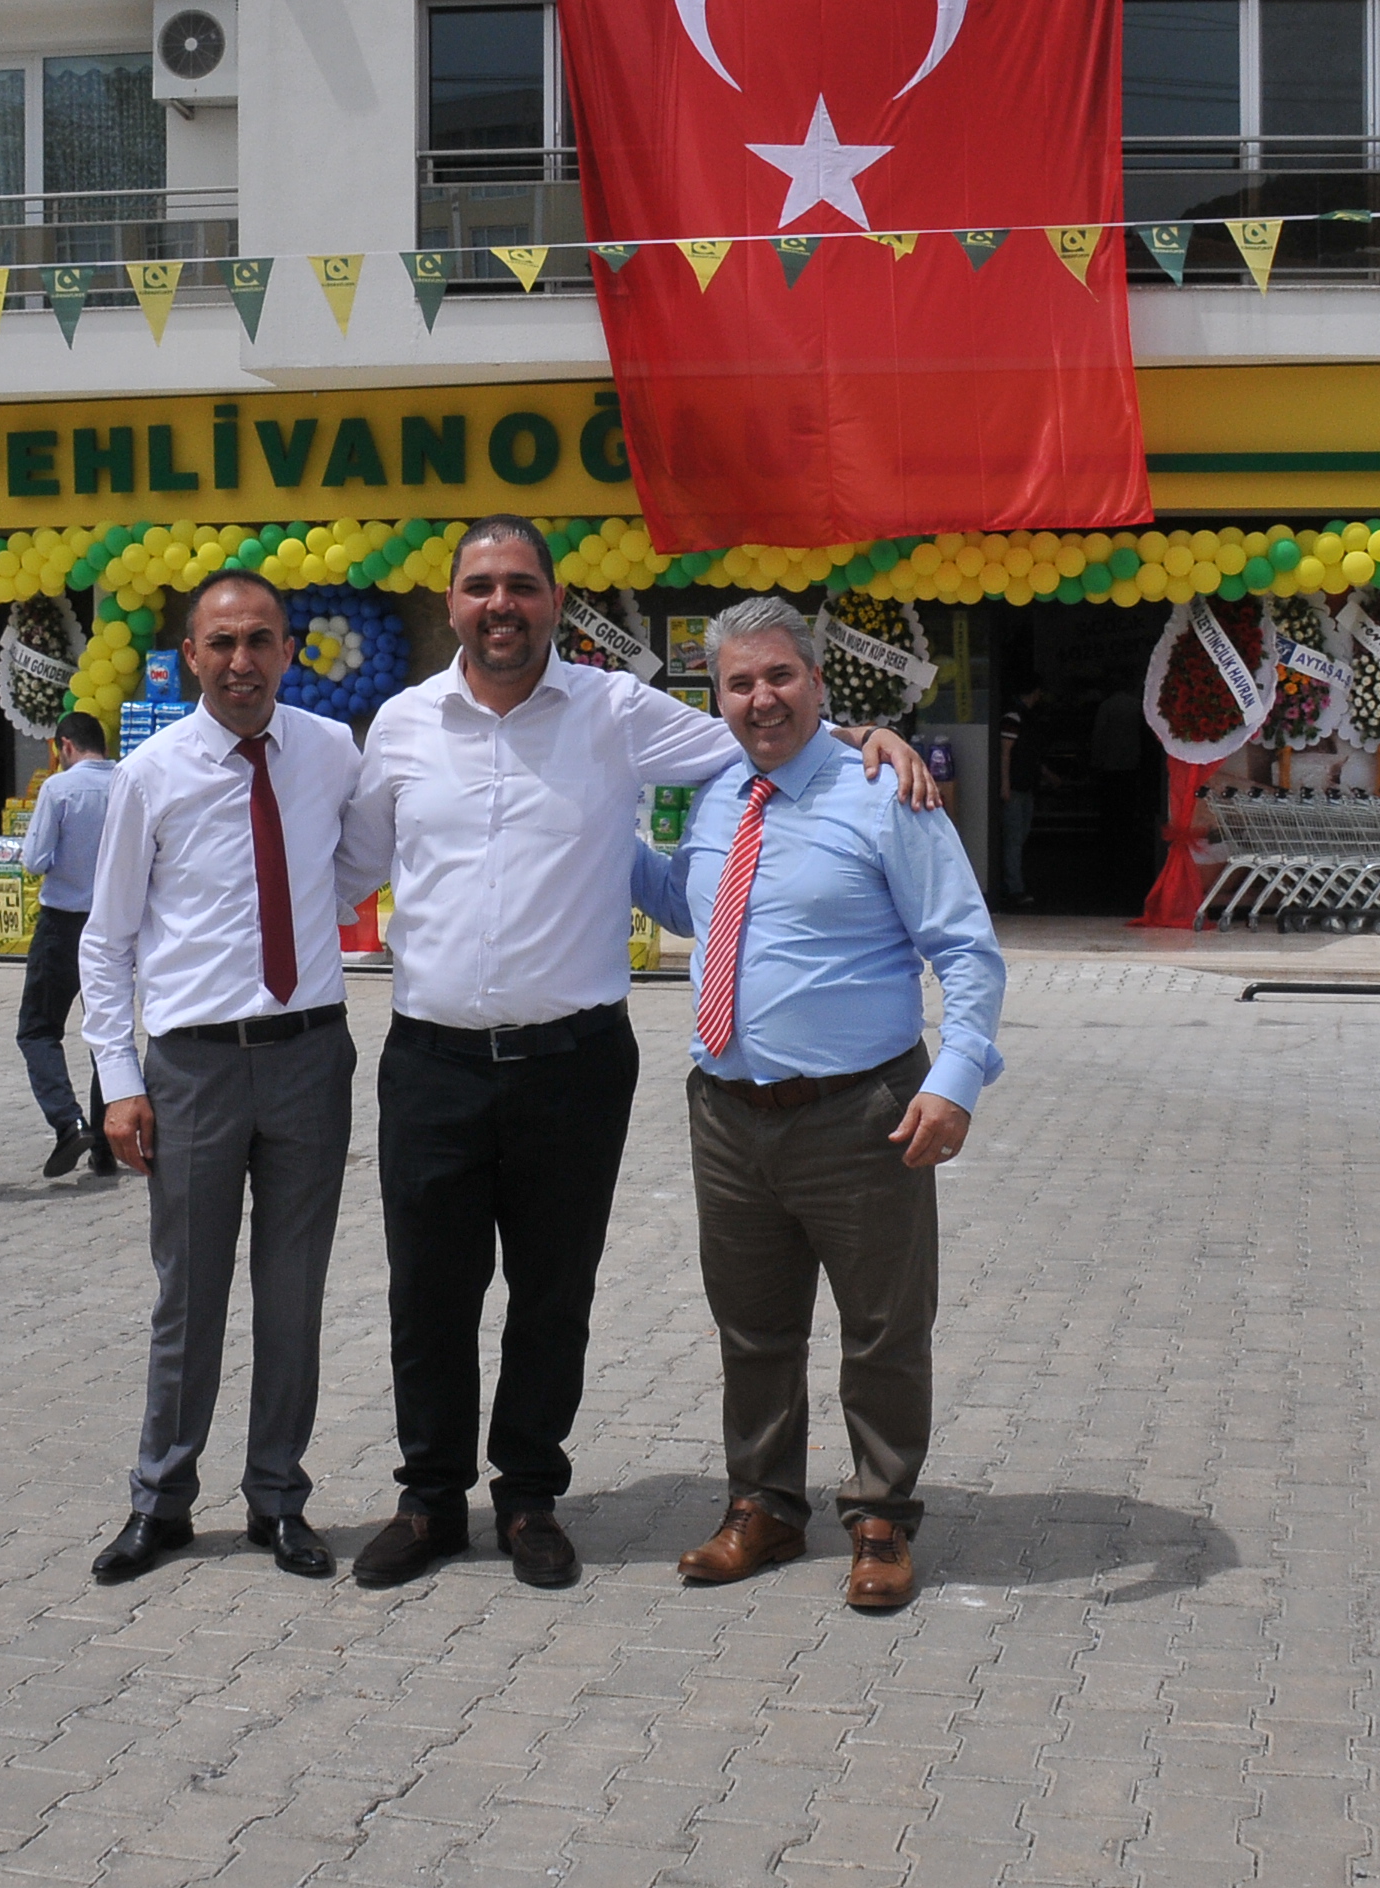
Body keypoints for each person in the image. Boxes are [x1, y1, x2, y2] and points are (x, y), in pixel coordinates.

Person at [339, 515, 938, 1593]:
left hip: (572, 1064)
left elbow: (763, 728)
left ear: (555, 601)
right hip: (431, 1058)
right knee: (427, 1293)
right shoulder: (401, 724)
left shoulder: (616, 711)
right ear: (453, 602)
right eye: (481, 586)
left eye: (522, 585)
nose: (501, 605)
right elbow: (352, 866)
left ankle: (530, 1498)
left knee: (553, 1293)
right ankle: (428, 1499)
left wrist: (863, 736)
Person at [629, 598, 1004, 1613]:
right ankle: (764, 1506)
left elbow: (966, 948)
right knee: (753, 1328)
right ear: (717, 698)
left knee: (883, 1328)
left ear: (818, 683)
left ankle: (881, 1518)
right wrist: (592, 837)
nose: (761, 698)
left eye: (779, 676)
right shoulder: (717, 792)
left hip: (862, 1113)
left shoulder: (885, 792)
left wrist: (955, 1079)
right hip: (727, 1113)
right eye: (740, 683)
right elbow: (691, 906)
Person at [81, 571, 381, 1586]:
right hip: (194, 1071)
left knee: (293, 1296)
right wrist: (120, 1080)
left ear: (289, 651)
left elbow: (356, 866)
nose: (241, 661)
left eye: (260, 640)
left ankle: (278, 1498)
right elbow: (107, 939)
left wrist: (300, 912)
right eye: (222, 643)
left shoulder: (332, 752)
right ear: (190, 659)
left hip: (309, 1057)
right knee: (190, 1297)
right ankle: (161, 1501)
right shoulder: (149, 775)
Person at [17, 711, 118, 1178]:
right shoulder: (126, 782)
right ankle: (106, 1143)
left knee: (38, 1029)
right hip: (111, 924)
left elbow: (35, 860)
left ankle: (68, 1121)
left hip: (62, 924)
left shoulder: (59, 789)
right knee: (106, 1032)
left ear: (65, 747)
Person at [995, 679, 1051, 907]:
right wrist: (1005, 785)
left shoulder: (1022, 716)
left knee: (1018, 837)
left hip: (1024, 785)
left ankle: (1012, 884)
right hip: (1016, 786)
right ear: (1035, 691)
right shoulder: (1014, 717)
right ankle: (1014, 888)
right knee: (1014, 840)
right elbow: (1005, 753)